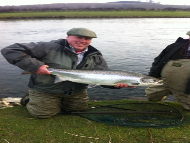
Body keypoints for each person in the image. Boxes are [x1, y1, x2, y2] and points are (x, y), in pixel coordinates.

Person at [1, 28, 131, 118]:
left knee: (77, 111)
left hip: (75, 91)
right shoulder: (49, 47)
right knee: (42, 115)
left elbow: (103, 77)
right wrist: (35, 66)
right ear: (68, 37)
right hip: (46, 88)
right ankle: (29, 98)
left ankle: (58, 102)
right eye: (79, 37)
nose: (83, 41)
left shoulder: (95, 56)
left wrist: (115, 84)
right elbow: (10, 50)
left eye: (87, 38)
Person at [145, 31, 190, 110]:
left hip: (185, 86)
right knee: (152, 95)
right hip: (163, 81)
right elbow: (158, 60)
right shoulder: (174, 46)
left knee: (188, 106)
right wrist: (152, 75)